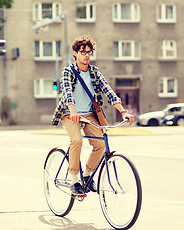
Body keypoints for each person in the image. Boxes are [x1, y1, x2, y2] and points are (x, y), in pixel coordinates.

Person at [51, 36, 135, 196]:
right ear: (75, 53)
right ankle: (74, 180)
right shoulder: (68, 71)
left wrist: (123, 111)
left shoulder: (94, 72)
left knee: (101, 144)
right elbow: (67, 92)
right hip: (70, 113)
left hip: (89, 114)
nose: (87, 55)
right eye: (83, 52)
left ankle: (87, 176)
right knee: (76, 140)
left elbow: (108, 91)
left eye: (89, 52)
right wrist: (73, 111)